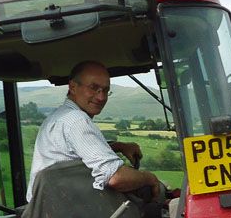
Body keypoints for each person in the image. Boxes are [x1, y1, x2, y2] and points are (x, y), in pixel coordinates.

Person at [26, 61, 161, 203]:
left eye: (105, 90)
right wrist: (149, 178)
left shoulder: (60, 116)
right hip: (63, 217)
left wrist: (118, 146)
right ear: (72, 87)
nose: (101, 97)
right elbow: (115, 177)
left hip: (50, 210)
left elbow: (74, 154)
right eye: (94, 88)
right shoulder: (76, 120)